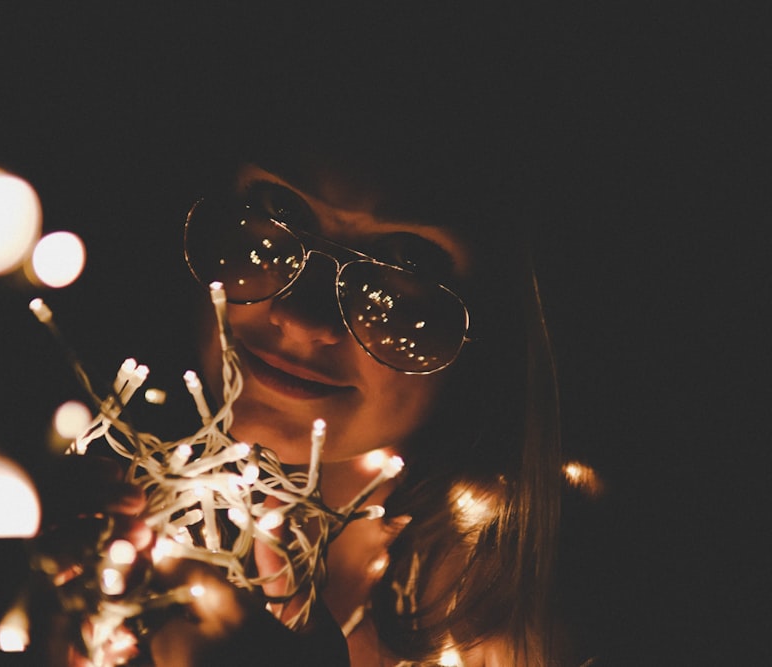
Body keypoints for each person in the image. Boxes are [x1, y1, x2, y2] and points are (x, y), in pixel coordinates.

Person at [38, 64, 591, 667]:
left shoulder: (553, 616)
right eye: (278, 211)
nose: (303, 318)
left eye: (408, 263)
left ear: (503, 327)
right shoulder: (51, 511)